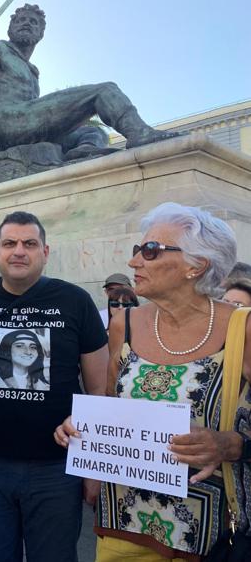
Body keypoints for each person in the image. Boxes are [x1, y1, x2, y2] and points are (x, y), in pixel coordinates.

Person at [54, 202, 251, 560]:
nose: (133, 263)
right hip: (124, 523)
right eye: (137, 251)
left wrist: (231, 445)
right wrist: (83, 429)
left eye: (150, 251)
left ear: (197, 265)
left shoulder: (243, 328)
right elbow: (111, 404)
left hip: (206, 535)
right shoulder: (123, 324)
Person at [0, 210, 108, 562]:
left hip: (57, 470)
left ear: (45, 252)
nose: (19, 251)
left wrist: (95, 467)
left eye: (30, 244)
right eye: (10, 243)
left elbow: (100, 391)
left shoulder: (75, 302)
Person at [0, 4, 176, 161]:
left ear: (40, 34)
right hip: (10, 123)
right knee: (105, 91)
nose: (26, 23)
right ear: (10, 28)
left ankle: (82, 155)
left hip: (27, 125)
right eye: (20, 20)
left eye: (33, 22)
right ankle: (141, 134)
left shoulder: (31, 70)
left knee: (93, 134)